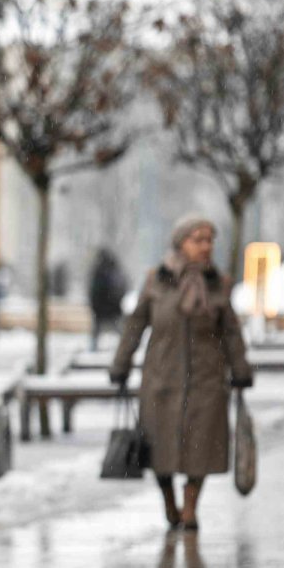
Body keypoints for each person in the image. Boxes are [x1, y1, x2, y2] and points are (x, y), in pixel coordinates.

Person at [110, 216, 252, 531]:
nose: (206, 246)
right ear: (180, 243)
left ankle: (190, 509)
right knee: (160, 448)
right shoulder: (155, 281)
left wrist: (241, 371)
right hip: (162, 379)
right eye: (198, 239)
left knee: (200, 447)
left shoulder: (219, 284)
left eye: (210, 240)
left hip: (207, 381)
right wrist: (120, 364)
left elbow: (231, 333)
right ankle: (168, 502)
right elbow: (135, 325)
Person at [89, 248, 128, 351]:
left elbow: (95, 291)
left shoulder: (100, 271)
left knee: (97, 332)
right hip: (112, 307)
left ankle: (93, 348)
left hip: (105, 308)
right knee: (120, 331)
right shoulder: (113, 270)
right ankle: (125, 348)